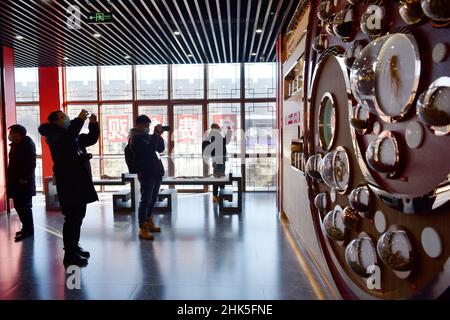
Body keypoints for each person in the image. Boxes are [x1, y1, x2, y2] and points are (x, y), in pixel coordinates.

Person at [38, 110, 99, 267]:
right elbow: (67, 139)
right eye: (62, 116)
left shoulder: (71, 134)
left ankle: (74, 246)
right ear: (55, 122)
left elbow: (91, 139)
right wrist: (78, 120)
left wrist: (93, 124)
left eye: (65, 115)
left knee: (79, 215)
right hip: (69, 181)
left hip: (79, 179)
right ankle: (69, 255)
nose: (65, 118)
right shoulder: (54, 136)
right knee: (72, 217)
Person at [128, 115, 165, 240]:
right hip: (146, 173)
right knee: (145, 201)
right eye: (146, 125)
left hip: (156, 172)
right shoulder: (135, 139)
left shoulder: (147, 137)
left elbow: (160, 149)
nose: (148, 128)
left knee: (153, 199)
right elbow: (148, 152)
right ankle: (142, 227)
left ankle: (149, 221)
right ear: (138, 125)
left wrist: (159, 136)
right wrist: (155, 135)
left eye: (149, 125)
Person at [6, 124, 36, 242]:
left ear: (20, 133)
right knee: (19, 206)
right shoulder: (16, 144)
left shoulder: (27, 144)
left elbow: (31, 163)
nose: (11, 135)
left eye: (13, 132)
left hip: (24, 182)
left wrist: (24, 177)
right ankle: (25, 228)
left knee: (25, 207)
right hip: (16, 182)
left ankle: (29, 230)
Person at [205, 123, 232, 202]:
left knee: (217, 178)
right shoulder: (215, 135)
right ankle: (218, 195)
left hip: (217, 159)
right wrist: (229, 131)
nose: (220, 129)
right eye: (218, 128)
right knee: (219, 178)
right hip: (219, 160)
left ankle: (216, 195)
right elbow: (226, 141)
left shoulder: (213, 135)